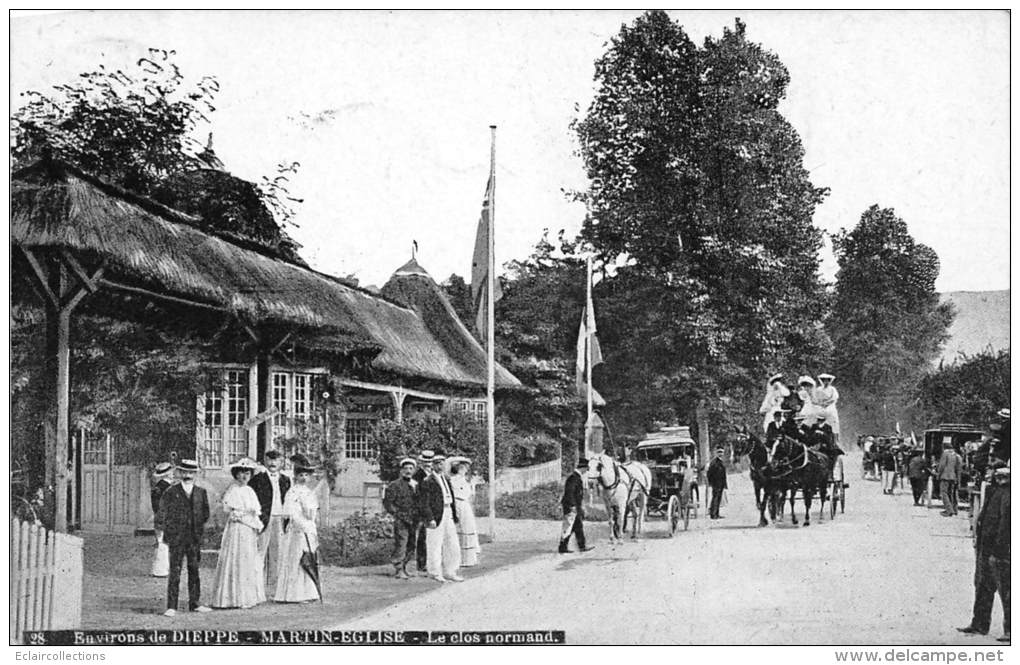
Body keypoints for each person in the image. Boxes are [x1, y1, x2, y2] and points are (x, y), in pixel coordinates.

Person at [958, 467, 1010, 642]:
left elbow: (1006, 523)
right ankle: (979, 623)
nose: (988, 475)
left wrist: (1001, 549)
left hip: (1000, 549)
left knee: (1007, 590)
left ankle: (1010, 629)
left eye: (992, 472)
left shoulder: (1008, 494)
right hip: (986, 547)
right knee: (982, 586)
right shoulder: (993, 491)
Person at [156, 459, 211, 617]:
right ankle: (171, 606)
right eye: (185, 472)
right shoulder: (171, 492)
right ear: (179, 473)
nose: (188, 475)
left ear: (195, 474)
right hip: (177, 538)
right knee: (175, 571)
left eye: (191, 472)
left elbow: (205, 514)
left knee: (194, 570)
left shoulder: (201, 492)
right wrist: (171, 532)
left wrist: (196, 528)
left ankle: (194, 603)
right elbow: (163, 514)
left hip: (193, 538)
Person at [210, 457, 266, 609]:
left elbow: (255, 512)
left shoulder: (250, 491)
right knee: (236, 558)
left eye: (247, 473)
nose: (244, 476)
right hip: (237, 529)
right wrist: (243, 514)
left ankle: (247, 597)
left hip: (248, 530)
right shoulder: (233, 490)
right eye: (241, 473)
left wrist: (254, 522)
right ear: (236, 474)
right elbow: (231, 510)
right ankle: (232, 597)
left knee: (248, 558)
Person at [274, 454, 321, 603]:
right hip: (298, 530)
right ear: (296, 476)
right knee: (297, 559)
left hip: (308, 528)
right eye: (301, 475)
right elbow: (291, 513)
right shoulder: (293, 492)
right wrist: (303, 524)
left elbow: (313, 512)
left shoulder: (309, 492)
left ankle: (309, 592)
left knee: (309, 558)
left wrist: (311, 523)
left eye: (307, 475)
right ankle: (295, 594)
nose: (304, 478)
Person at [248, 449, 290, 592]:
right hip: (263, 520)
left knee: (277, 554)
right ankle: (256, 589)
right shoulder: (257, 479)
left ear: (281, 462)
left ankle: (274, 589)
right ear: (265, 461)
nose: (273, 463)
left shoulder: (285, 480)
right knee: (259, 553)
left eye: (276, 460)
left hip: (280, 519)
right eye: (270, 460)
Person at [418, 452, 462, 583]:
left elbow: (452, 498)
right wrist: (429, 518)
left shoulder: (446, 479)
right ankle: (435, 572)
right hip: (436, 514)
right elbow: (424, 502)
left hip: (448, 511)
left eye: (442, 463)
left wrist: (455, 516)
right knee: (434, 544)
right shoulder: (428, 481)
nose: (440, 465)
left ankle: (450, 571)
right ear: (432, 465)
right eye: (437, 463)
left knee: (452, 543)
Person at [383, 457, 418, 579]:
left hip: (413, 520)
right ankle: (398, 569)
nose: (408, 471)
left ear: (414, 470)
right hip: (401, 519)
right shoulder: (394, 485)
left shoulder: (415, 485)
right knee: (401, 543)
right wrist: (397, 514)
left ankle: (404, 567)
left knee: (412, 545)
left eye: (411, 468)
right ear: (401, 470)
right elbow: (388, 503)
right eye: (406, 468)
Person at [449, 457, 481, 567]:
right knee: (462, 529)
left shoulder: (463, 480)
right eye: (462, 468)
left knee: (469, 528)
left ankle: (470, 558)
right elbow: (459, 494)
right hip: (459, 504)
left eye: (466, 468)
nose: (465, 470)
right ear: (458, 468)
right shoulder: (454, 480)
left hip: (465, 505)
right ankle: (462, 559)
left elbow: (469, 494)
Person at [559, 458, 593, 553]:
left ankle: (581, 546)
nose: (586, 471)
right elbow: (570, 493)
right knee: (569, 526)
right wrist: (573, 506)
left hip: (575, 506)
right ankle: (563, 547)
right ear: (583, 468)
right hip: (572, 506)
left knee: (577, 526)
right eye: (586, 469)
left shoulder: (575, 477)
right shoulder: (574, 478)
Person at [411, 450, 434, 576]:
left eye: (429, 462)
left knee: (432, 536)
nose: (428, 465)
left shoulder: (434, 475)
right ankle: (421, 563)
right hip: (421, 509)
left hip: (432, 508)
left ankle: (430, 561)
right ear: (421, 463)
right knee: (422, 537)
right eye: (425, 462)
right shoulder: (417, 476)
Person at [150, 462, 175, 578]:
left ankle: (160, 569)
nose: (173, 474)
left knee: (161, 543)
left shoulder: (158, 487)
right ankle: (161, 570)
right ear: (167, 474)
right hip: (165, 518)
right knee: (163, 544)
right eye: (171, 472)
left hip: (160, 517)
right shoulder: (167, 487)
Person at [936, 443, 963, 515]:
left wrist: (938, 475)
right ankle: (953, 509)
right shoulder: (956, 455)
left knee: (944, 493)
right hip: (953, 477)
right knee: (950, 493)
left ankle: (949, 510)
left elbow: (942, 465)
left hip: (945, 476)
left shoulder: (945, 453)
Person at [813, 373, 840, 443]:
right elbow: (815, 398)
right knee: (813, 413)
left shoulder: (832, 389)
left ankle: (835, 437)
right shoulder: (818, 389)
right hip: (821, 405)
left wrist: (827, 403)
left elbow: (834, 398)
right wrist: (820, 403)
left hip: (830, 405)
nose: (826, 382)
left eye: (827, 380)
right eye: (824, 380)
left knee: (834, 419)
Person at [707, 447, 727, 519]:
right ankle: (713, 514)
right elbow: (709, 473)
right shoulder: (714, 462)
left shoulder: (721, 462)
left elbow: (724, 475)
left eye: (721, 452)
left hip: (721, 483)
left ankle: (717, 513)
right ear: (716, 453)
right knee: (715, 498)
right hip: (716, 483)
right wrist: (711, 482)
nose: (720, 454)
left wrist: (725, 484)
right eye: (719, 452)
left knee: (718, 498)